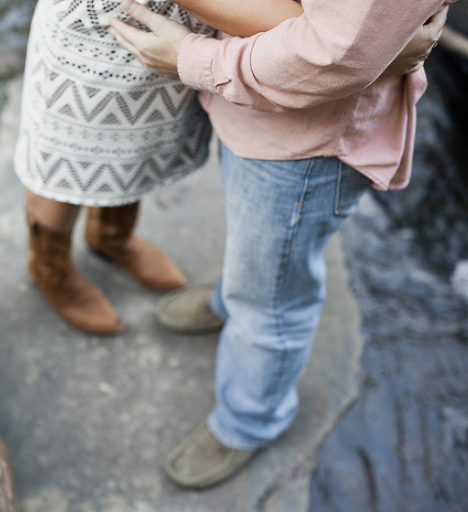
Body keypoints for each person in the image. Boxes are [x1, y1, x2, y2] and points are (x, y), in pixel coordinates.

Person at [108, 0, 449, 488]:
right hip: (256, 113)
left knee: (273, 301)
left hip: (303, 146)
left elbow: (338, 53)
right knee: (259, 253)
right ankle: (233, 298)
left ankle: (249, 421)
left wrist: (194, 59)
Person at [14, 0, 304, 334]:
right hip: (100, 25)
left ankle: (109, 235)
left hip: (182, 32)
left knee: (134, 148)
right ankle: (50, 268)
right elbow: (329, 36)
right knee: (66, 157)